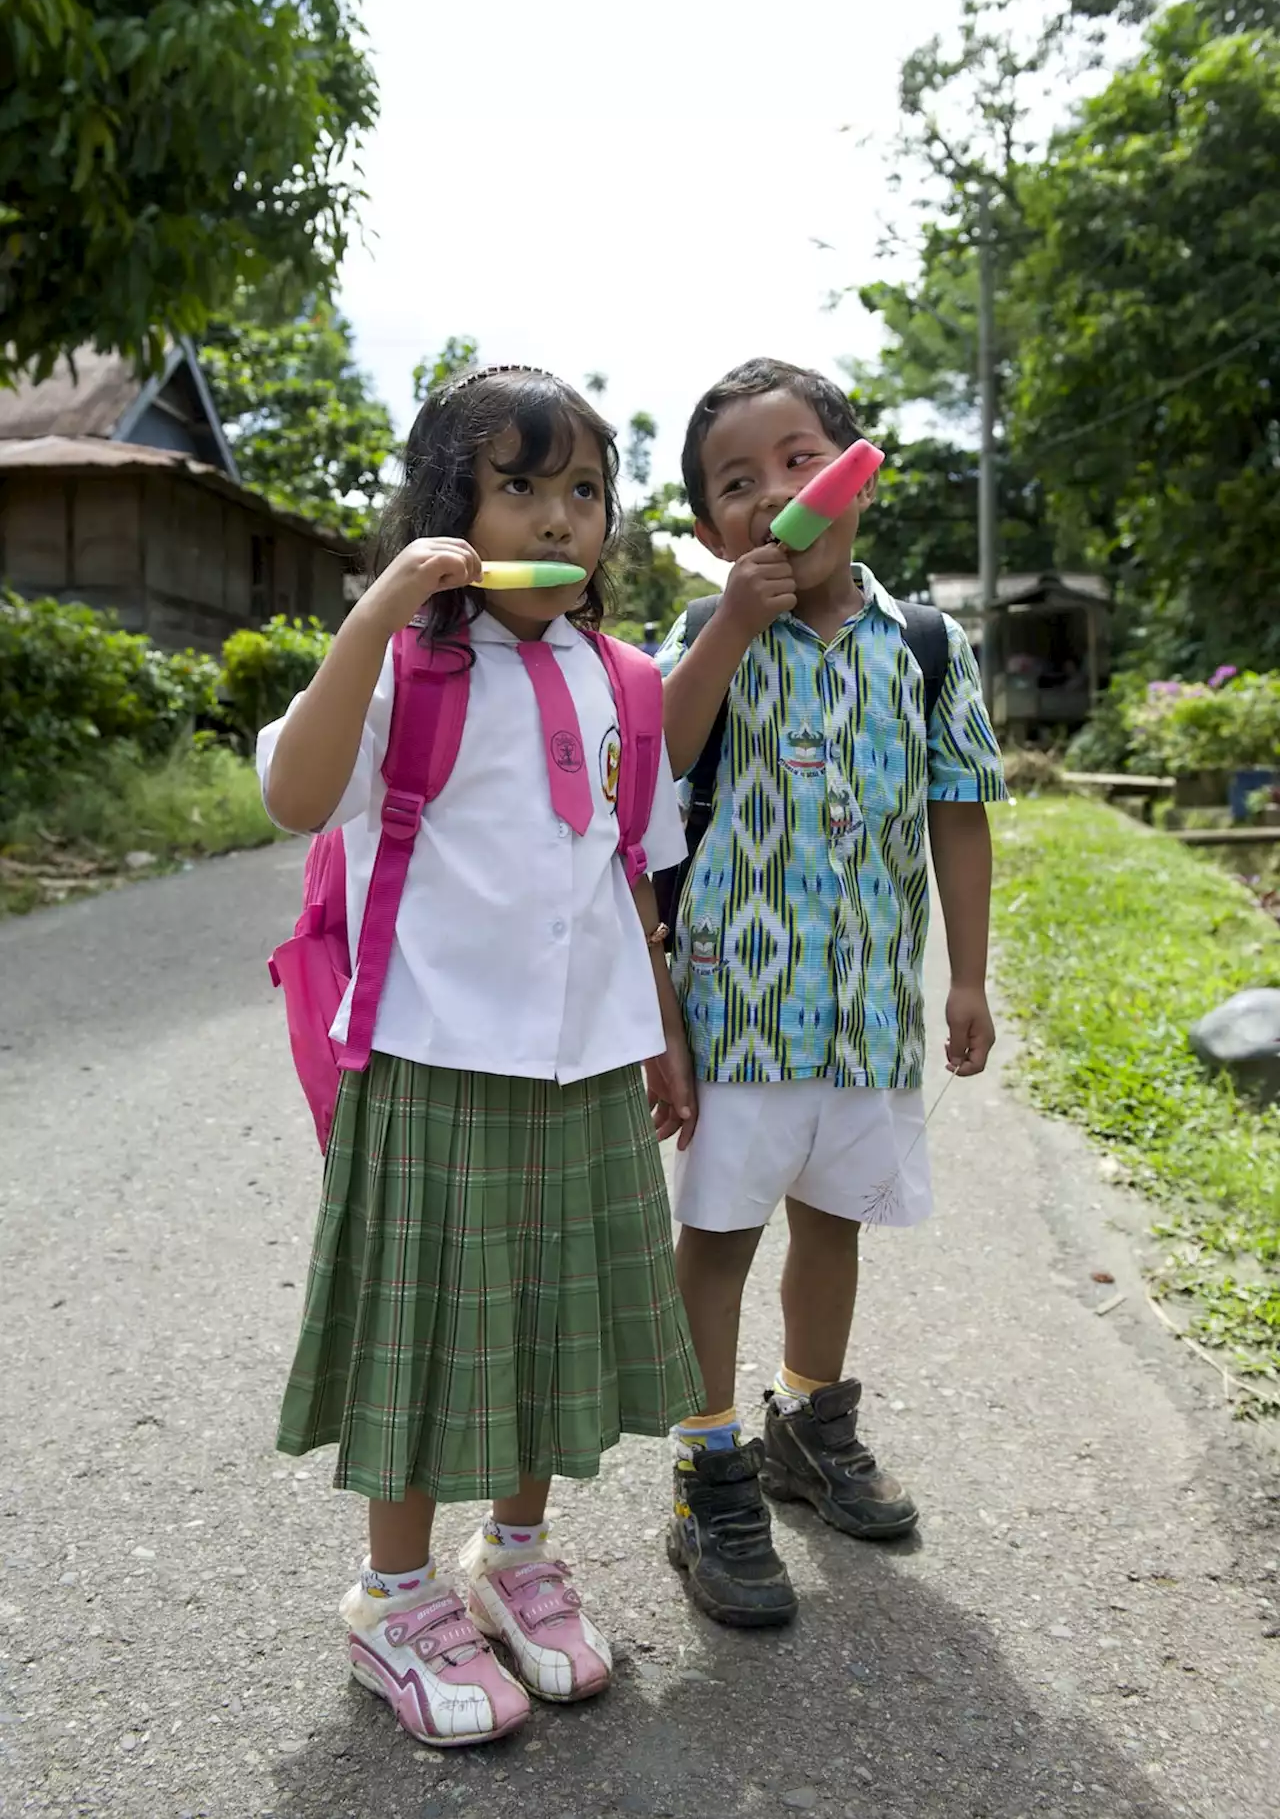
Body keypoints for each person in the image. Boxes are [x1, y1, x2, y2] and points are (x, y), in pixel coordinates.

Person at [257, 367, 702, 1746]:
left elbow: (630, 871)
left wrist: (667, 1031)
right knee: (433, 1333)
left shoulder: (623, 677)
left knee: (549, 1318)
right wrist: (379, 607)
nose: (560, 520)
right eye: (521, 486)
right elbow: (293, 796)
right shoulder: (407, 666)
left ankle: (513, 1557)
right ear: (451, 507)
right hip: (437, 1060)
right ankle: (393, 1596)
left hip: (588, 1067)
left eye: (585, 494)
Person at [655, 358, 1007, 1628]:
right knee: (718, 1239)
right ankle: (706, 1465)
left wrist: (965, 976)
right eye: (735, 484)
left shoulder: (922, 641)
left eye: (800, 459)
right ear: (706, 530)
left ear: (855, 474)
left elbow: (957, 810)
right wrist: (734, 623)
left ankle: (808, 1419)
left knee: (833, 1221)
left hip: (864, 1014)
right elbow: (656, 766)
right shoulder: (703, 635)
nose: (773, 495)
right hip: (735, 1012)